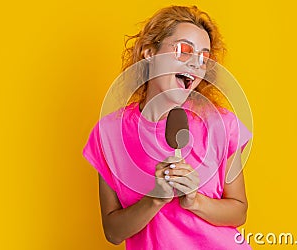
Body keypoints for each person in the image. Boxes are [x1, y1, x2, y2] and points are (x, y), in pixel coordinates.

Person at [83, 5, 252, 249]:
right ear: (149, 52)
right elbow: (112, 232)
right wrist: (154, 199)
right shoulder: (109, 133)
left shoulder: (220, 125)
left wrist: (195, 201)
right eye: (184, 50)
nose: (196, 64)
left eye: (204, 58)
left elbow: (239, 211)